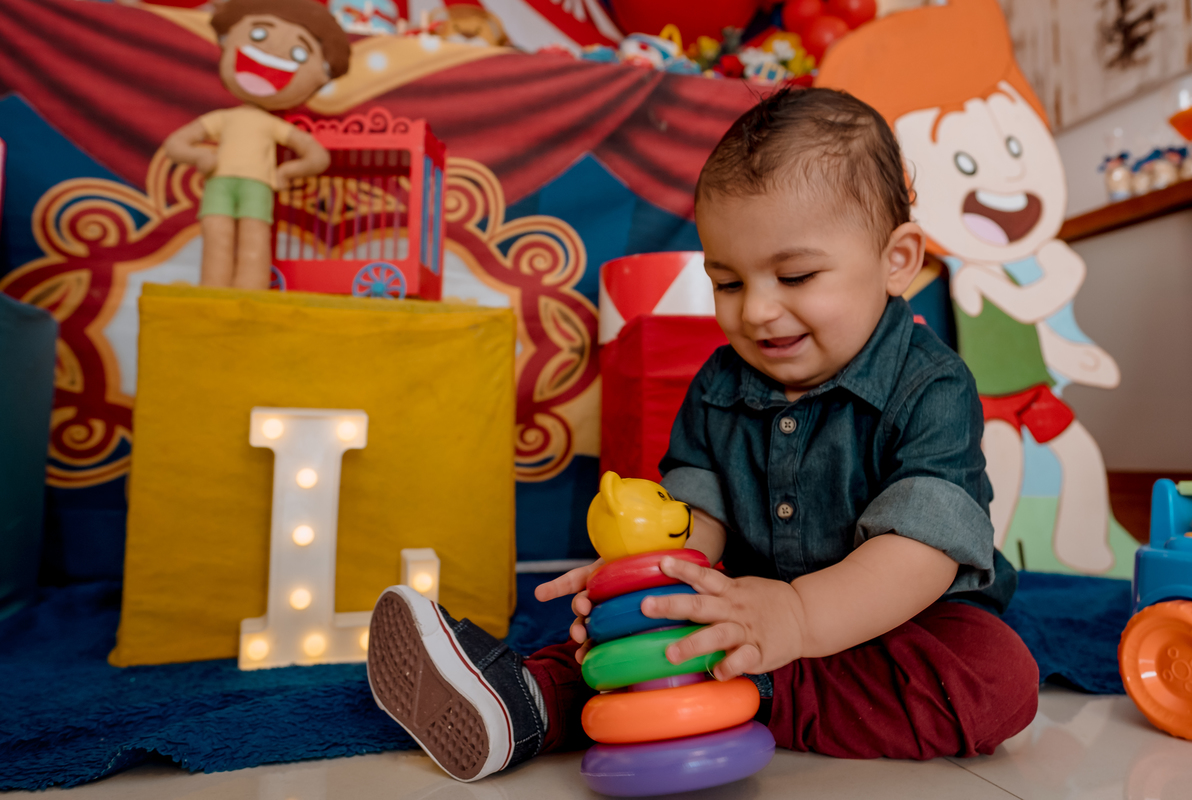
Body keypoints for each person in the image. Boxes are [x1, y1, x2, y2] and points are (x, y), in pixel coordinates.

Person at [364, 87, 1039, 783]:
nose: (759, 310)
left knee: (997, 679)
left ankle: (750, 691)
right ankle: (524, 702)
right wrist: (648, 580)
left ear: (897, 260)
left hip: (900, 623)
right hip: (741, 608)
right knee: (642, 628)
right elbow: (698, 516)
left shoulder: (932, 385)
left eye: (795, 275)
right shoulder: (719, 383)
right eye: (728, 283)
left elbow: (921, 554)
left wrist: (796, 618)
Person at [816, 0, 1122, 574]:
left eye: (1013, 147)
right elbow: (1024, 306)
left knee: (1077, 453)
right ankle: (983, 554)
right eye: (963, 161)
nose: (1007, 177)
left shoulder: (1018, 265)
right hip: (991, 402)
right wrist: (1062, 276)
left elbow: (1033, 330)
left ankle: (1084, 545)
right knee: (998, 468)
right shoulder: (975, 276)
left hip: (1035, 390)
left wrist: (1070, 352)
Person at [164, 0, 350, 290]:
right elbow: (175, 143)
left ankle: (248, 292)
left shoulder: (273, 126)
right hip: (220, 183)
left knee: (255, 237)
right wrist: (199, 157)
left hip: (257, 185)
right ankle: (213, 290)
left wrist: (287, 172)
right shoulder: (223, 119)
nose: (273, 54)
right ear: (228, 40)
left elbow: (316, 156)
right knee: (216, 233)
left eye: (299, 53)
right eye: (259, 35)